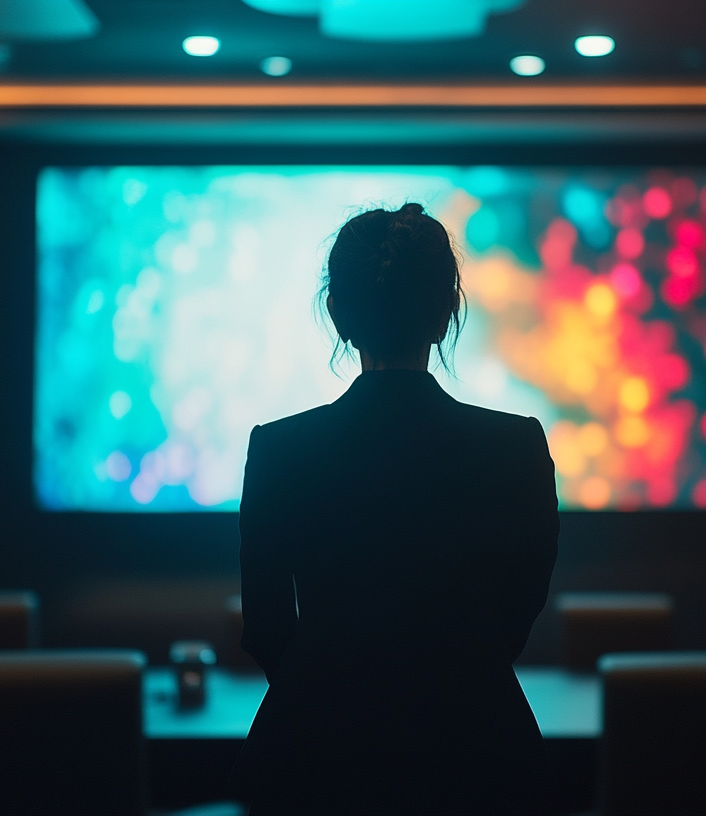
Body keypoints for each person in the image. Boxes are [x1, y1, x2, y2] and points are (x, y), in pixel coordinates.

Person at [233, 203, 560, 815]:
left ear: (339, 314)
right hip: (484, 756)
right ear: (446, 312)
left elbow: (267, 624)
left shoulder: (279, 449)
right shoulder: (516, 447)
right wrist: (459, 674)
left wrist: (330, 690)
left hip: (311, 761)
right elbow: (519, 608)